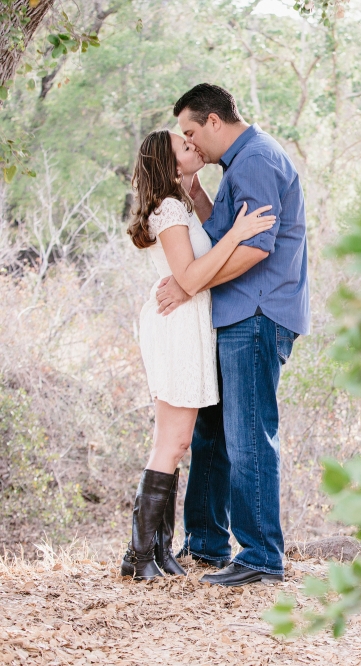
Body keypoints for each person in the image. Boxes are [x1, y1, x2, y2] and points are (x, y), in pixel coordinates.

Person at [156, 83, 311, 587]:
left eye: (191, 131)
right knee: (213, 434)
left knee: (247, 437)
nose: (190, 142)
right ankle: (205, 543)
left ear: (215, 122)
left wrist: (189, 283)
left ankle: (262, 556)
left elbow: (254, 248)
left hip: (257, 314)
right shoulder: (236, 166)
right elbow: (223, 234)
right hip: (233, 315)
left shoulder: (256, 161)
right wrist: (198, 195)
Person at [122, 129, 276, 580]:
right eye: (183, 147)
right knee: (172, 442)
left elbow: (204, 243)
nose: (193, 146)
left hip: (190, 325)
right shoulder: (168, 209)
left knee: (176, 442)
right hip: (176, 327)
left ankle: (155, 552)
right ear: (169, 166)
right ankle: (140, 555)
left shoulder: (181, 202)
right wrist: (239, 235)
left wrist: (205, 200)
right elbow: (188, 274)